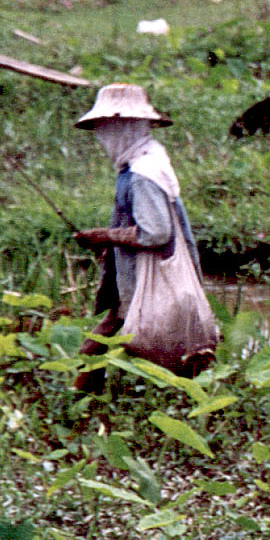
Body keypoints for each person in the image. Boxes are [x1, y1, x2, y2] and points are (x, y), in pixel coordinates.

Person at [71, 83, 220, 392]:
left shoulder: (142, 174)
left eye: (106, 129)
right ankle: (83, 405)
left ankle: (83, 407)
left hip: (150, 281)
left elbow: (156, 232)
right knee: (97, 346)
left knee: (108, 348)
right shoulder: (148, 160)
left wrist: (103, 236)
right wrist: (112, 247)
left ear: (123, 127)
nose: (102, 138)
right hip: (140, 277)